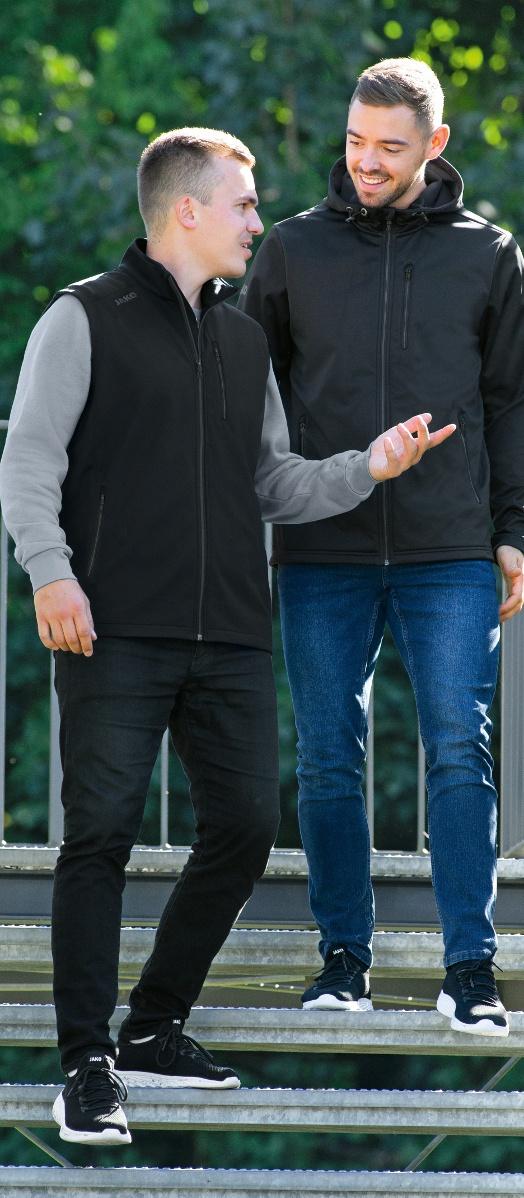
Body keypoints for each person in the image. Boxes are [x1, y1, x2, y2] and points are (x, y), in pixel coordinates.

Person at [0, 126, 453, 1145]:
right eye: (244, 205)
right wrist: (51, 572)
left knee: (245, 827)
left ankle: (153, 1025)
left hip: (232, 636)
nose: (257, 221)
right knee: (100, 837)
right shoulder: (82, 316)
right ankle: (87, 1064)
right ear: (187, 210)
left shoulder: (244, 342)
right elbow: (28, 459)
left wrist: (367, 467)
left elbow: (272, 483)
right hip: (113, 627)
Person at [240, 58, 524, 1039]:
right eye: (355, 141)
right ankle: (342, 962)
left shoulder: (489, 254)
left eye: (389, 147)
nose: (366, 161)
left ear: (433, 146)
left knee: (458, 745)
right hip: (321, 544)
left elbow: (510, 402)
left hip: (450, 546)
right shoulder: (291, 249)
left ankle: (469, 971)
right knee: (327, 756)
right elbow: (245, 395)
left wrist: (512, 530)